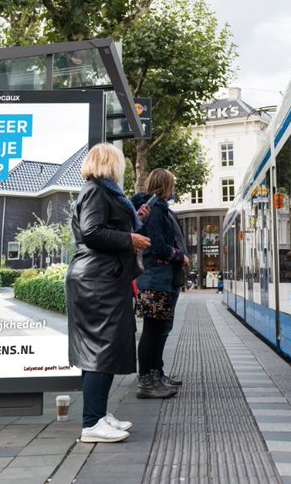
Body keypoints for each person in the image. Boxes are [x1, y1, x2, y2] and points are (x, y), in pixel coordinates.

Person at [65, 143, 151, 443]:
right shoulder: (96, 191)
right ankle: (91, 424)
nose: (123, 169)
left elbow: (102, 227)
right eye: (119, 163)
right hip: (97, 281)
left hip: (101, 278)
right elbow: (92, 232)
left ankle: (98, 415)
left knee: (102, 349)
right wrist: (129, 238)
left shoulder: (102, 192)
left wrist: (133, 222)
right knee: (101, 349)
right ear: (109, 164)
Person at [130, 168, 187, 398]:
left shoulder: (155, 208)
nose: (173, 189)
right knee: (152, 330)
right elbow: (156, 246)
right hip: (154, 279)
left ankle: (154, 375)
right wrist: (179, 256)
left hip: (158, 279)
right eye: (171, 185)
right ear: (165, 185)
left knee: (156, 329)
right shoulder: (155, 210)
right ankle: (146, 381)